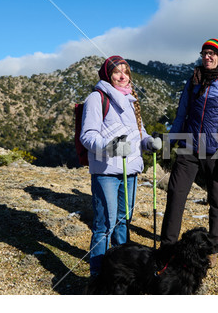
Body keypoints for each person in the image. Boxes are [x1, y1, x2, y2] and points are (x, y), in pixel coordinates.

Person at [161, 39, 218, 267]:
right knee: (176, 194)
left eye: (212, 53)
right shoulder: (193, 81)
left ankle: (213, 248)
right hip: (188, 148)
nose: (207, 57)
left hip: (214, 151)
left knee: (217, 200)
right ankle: (168, 247)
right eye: (205, 53)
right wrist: (171, 142)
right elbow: (181, 115)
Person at [80, 55, 162, 277]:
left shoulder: (132, 101)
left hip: (130, 171)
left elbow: (140, 134)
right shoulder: (96, 99)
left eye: (126, 71)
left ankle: (122, 270)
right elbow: (87, 136)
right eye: (117, 71)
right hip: (106, 172)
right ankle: (97, 275)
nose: (122, 75)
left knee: (123, 222)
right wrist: (112, 147)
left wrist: (148, 143)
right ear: (108, 74)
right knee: (104, 226)